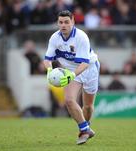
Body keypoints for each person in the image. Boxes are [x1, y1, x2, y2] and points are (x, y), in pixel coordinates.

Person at [43, 10, 100, 145]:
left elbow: (84, 63)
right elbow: (47, 59)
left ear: (73, 22)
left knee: (88, 106)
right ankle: (85, 130)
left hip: (89, 68)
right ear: (58, 23)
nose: (63, 25)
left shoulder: (81, 37)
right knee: (69, 100)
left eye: (66, 22)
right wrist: (50, 71)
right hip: (70, 71)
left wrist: (72, 75)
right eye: (60, 22)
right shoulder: (54, 38)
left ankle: (86, 127)